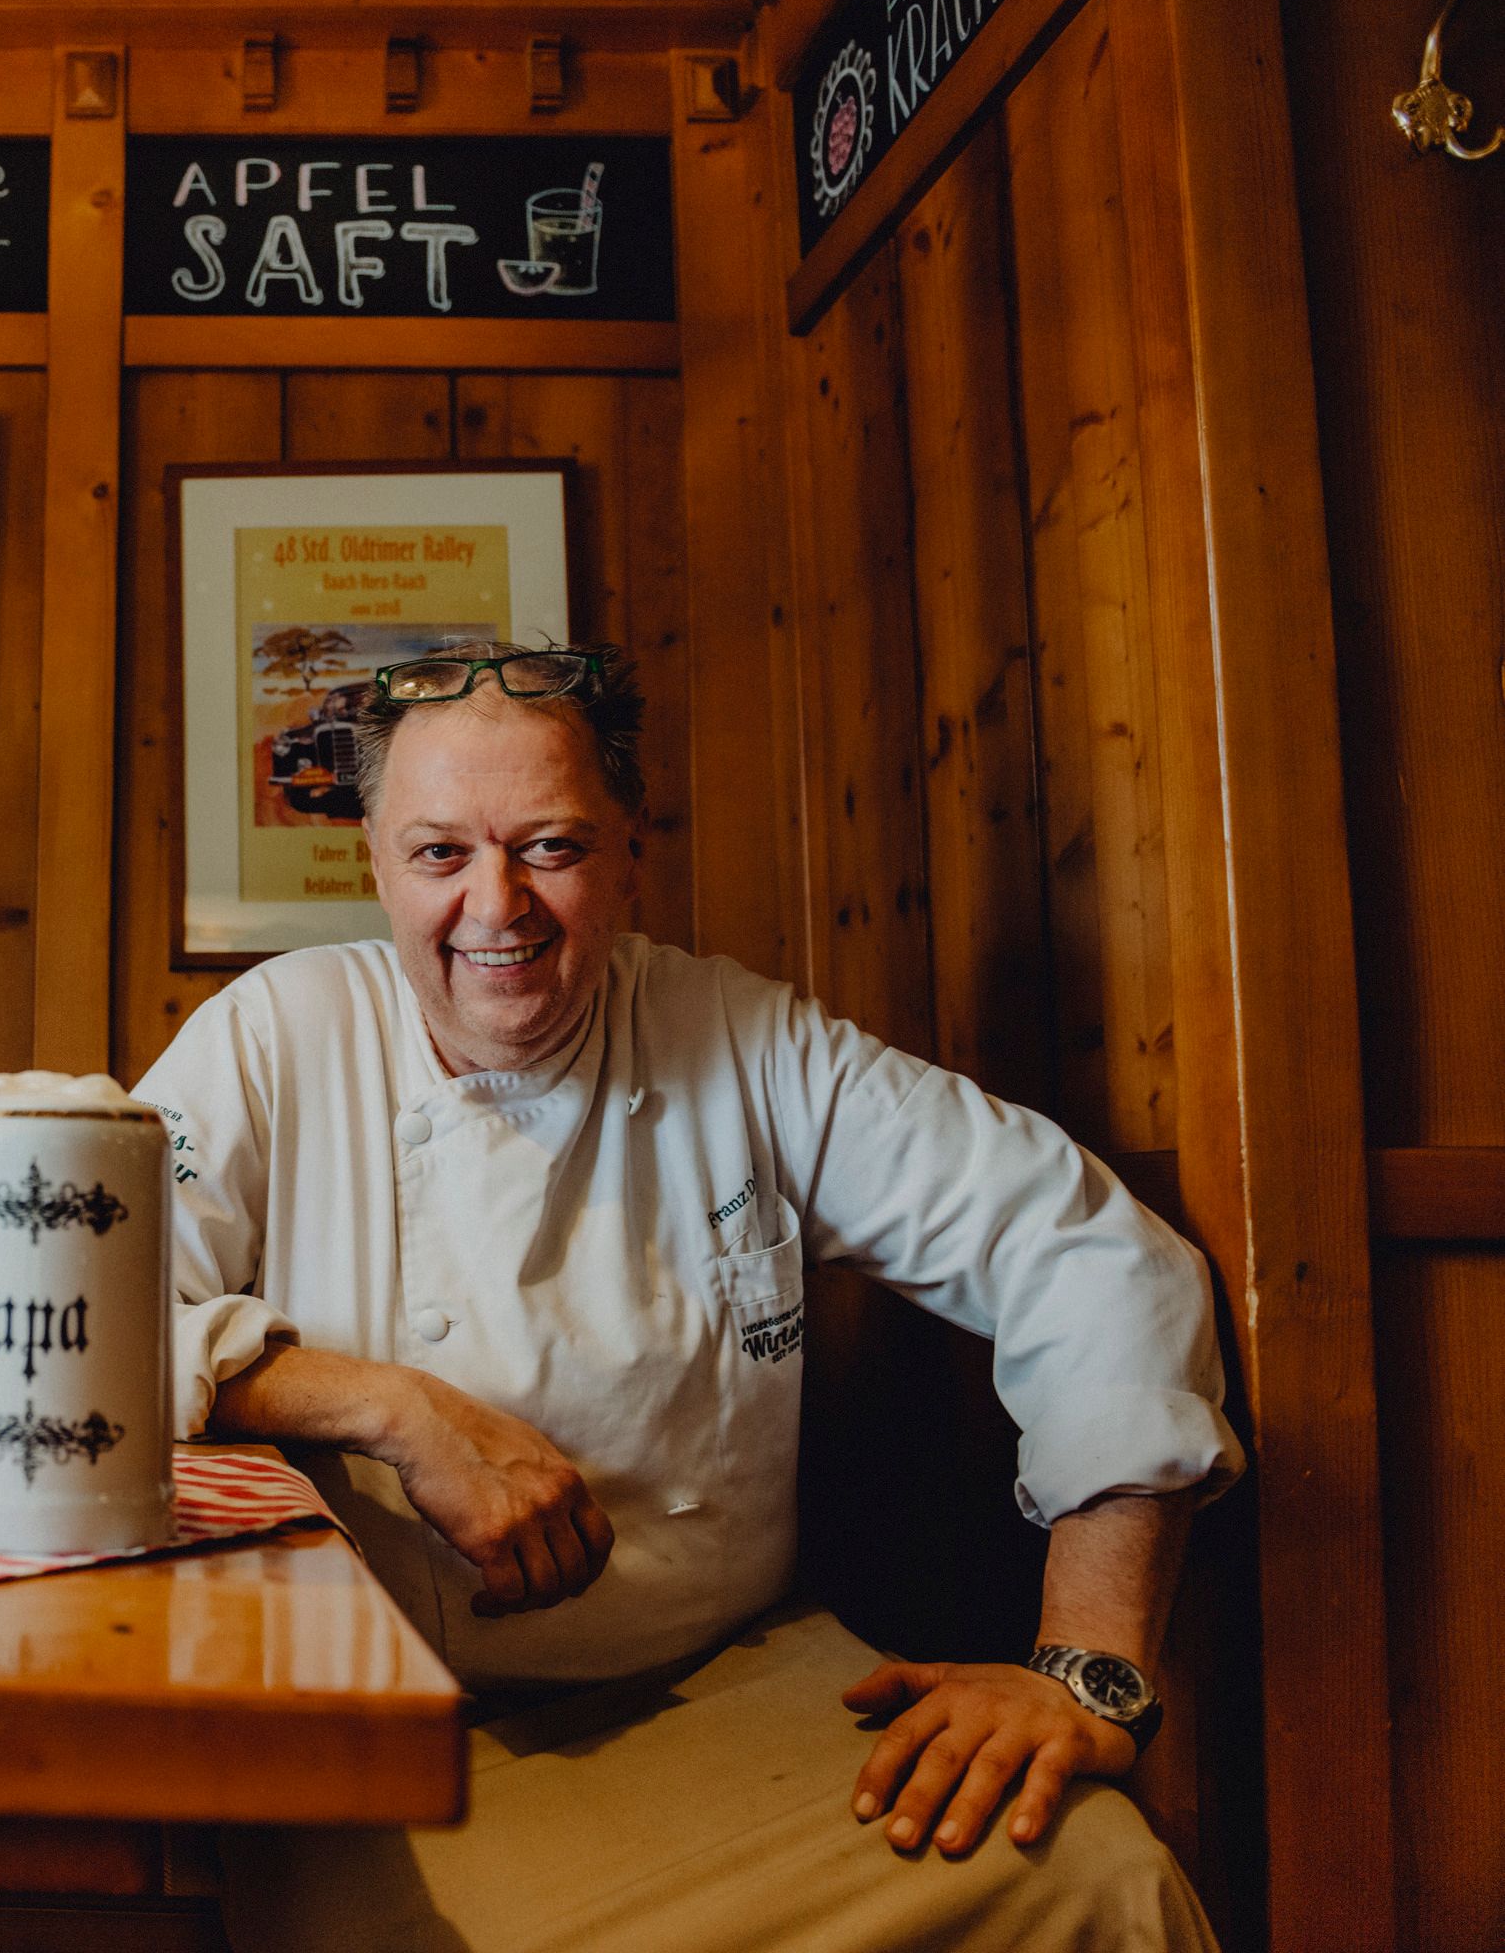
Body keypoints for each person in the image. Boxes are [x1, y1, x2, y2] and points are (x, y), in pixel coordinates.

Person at [132, 644, 1239, 1952]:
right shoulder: (277, 1034)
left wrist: (1086, 1673)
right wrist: (380, 1404)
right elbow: (86, 1329)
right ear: (371, 859)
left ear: (626, 851)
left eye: (549, 846)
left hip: (734, 1684)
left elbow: (1089, 1253)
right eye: (439, 854)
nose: (498, 904)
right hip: (373, 1725)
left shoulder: (743, 1041)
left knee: (1106, 1880)